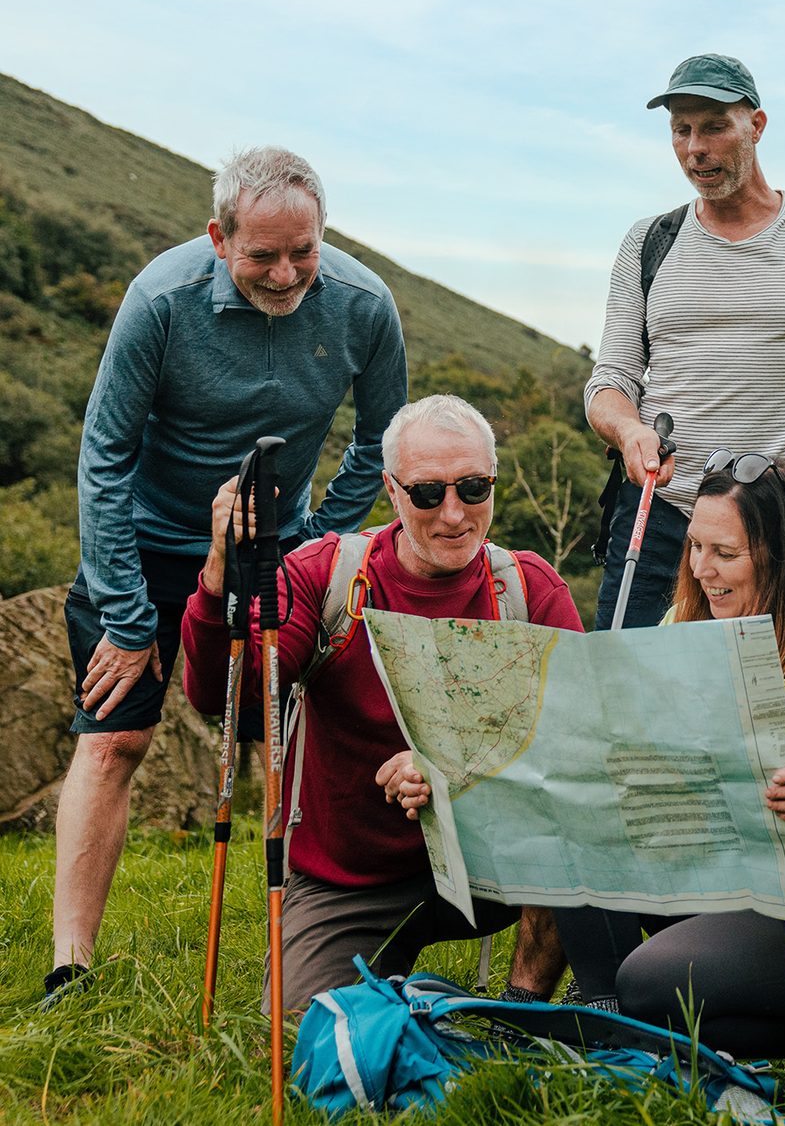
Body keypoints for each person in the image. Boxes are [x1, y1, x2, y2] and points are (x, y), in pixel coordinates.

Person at [48, 146, 407, 1002]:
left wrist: (317, 535)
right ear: (219, 237)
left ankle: (308, 945)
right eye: (262, 255)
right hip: (142, 537)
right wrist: (130, 621)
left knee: (288, 745)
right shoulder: (161, 300)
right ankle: (70, 964)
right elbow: (103, 456)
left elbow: (384, 442)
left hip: (272, 548)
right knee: (113, 736)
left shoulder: (364, 306)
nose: (286, 274)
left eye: (304, 252)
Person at [178, 395, 574, 1014]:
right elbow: (218, 695)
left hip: (492, 864)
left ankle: (522, 1012)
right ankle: (405, 994)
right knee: (303, 1031)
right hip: (351, 878)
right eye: (426, 493)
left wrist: (452, 766)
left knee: (578, 823)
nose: (453, 514)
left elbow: (577, 748)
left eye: (473, 488)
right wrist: (219, 575)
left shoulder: (528, 589)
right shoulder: (324, 576)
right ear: (391, 489)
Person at [553, 453, 785, 1067]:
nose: (702, 570)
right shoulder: (685, 624)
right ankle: (606, 1023)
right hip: (707, 870)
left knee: (650, 983)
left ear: (783, 557)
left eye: (725, 554)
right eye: (695, 548)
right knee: (571, 821)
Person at [584, 53, 785, 630]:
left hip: (781, 526)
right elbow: (610, 381)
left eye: (714, 126)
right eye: (681, 130)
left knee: (783, 705)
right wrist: (628, 429)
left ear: (756, 125)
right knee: (632, 702)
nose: (695, 148)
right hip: (661, 517)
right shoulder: (648, 242)